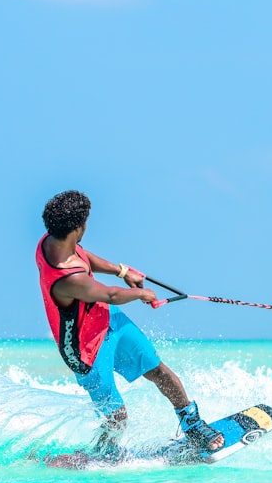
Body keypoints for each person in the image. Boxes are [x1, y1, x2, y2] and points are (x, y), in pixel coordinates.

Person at [36, 190, 223, 460]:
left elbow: (83, 255)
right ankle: (93, 457)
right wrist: (141, 294)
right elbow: (109, 294)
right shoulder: (65, 278)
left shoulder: (53, 240)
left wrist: (121, 271)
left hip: (108, 323)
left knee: (158, 371)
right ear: (78, 228)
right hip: (84, 351)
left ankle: (192, 425)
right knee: (117, 417)